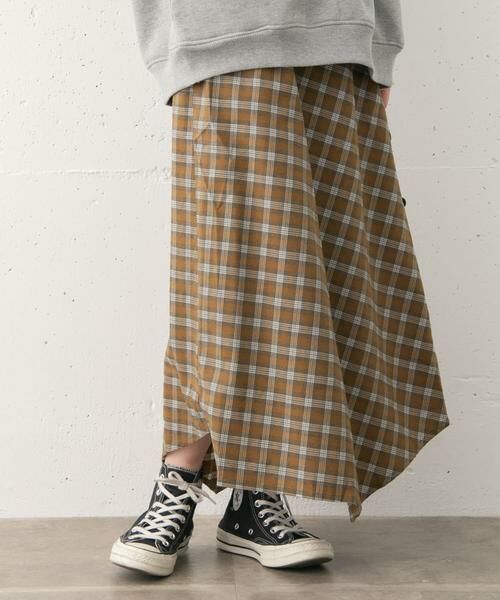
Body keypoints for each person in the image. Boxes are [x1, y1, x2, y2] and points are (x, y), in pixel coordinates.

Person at [110, 0, 451, 576]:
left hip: (339, 39)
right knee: (223, 269)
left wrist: (380, 46)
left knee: (330, 269)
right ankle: (179, 479)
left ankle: (254, 493)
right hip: (221, 33)